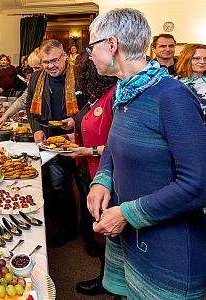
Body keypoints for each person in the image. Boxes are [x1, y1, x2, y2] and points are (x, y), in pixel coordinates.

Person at [86, 8, 206, 299]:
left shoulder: (172, 96)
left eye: (92, 46)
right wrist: (102, 180)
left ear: (111, 44)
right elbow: (113, 146)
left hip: (170, 250)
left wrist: (127, 213)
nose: (89, 54)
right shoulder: (124, 91)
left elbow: (198, 185)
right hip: (133, 240)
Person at [58, 53, 117, 296]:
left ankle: (111, 282)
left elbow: (119, 143)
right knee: (97, 228)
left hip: (105, 173)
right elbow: (87, 126)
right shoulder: (94, 98)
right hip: (86, 170)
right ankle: (107, 277)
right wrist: (72, 134)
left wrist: (88, 150)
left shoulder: (114, 96)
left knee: (108, 230)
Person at [27, 39, 82, 247]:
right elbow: (29, 107)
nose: (50, 66)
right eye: (45, 61)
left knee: (85, 186)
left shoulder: (80, 75)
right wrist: (37, 130)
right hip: (51, 140)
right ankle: (67, 229)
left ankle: (90, 234)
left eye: (54, 60)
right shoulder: (36, 78)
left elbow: (93, 105)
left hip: (79, 139)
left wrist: (75, 121)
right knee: (60, 186)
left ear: (65, 56)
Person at [0, 49, 42, 128]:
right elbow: (23, 100)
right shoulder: (35, 80)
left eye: (37, 68)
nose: (34, 72)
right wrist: (6, 115)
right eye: (32, 69)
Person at [175, 43, 206, 119]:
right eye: (197, 58)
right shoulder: (175, 83)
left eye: (205, 58)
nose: (202, 62)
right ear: (187, 60)